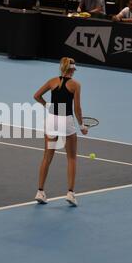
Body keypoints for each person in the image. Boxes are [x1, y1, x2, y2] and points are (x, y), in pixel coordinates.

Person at [33, 57, 89, 207]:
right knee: (71, 158)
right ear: (72, 70)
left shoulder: (52, 81)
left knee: (47, 157)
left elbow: (36, 96)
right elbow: (77, 108)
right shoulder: (75, 85)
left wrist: (47, 106)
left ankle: (40, 191)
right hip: (66, 120)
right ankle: (70, 194)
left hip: (51, 119)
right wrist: (82, 126)